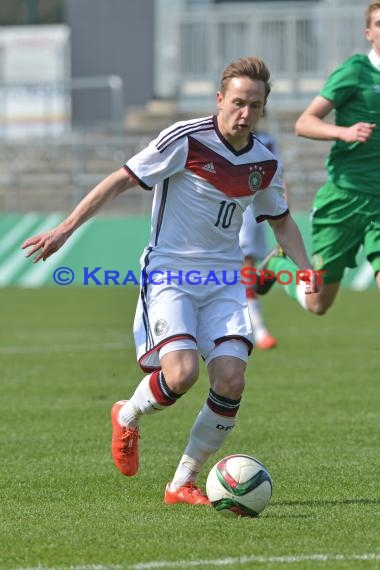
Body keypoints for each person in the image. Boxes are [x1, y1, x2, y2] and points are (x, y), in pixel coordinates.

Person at [22, 56, 318, 506]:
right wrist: (65, 228)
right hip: (171, 274)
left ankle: (182, 482)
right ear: (219, 99)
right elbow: (118, 181)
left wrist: (305, 266)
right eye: (237, 102)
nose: (244, 113)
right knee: (180, 375)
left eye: (254, 106)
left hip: (223, 281)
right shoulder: (185, 139)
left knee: (231, 380)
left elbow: (280, 221)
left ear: (262, 108)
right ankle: (128, 415)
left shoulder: (264, 160)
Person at [256, 2, 380, 313]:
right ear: (369, 33)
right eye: (379, 24)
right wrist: (345, 132)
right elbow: (304, 123)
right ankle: (280, 264)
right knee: (317, 303)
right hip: (344, 200)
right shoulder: (355, 72)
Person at [239, 123, 284, 350]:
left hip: (252, 210)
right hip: (224, 207)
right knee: (238, 270)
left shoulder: (266, 141)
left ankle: (256, 329)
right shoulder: (219, 138)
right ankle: (257, 330)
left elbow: (278, 177)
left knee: (245, 265)